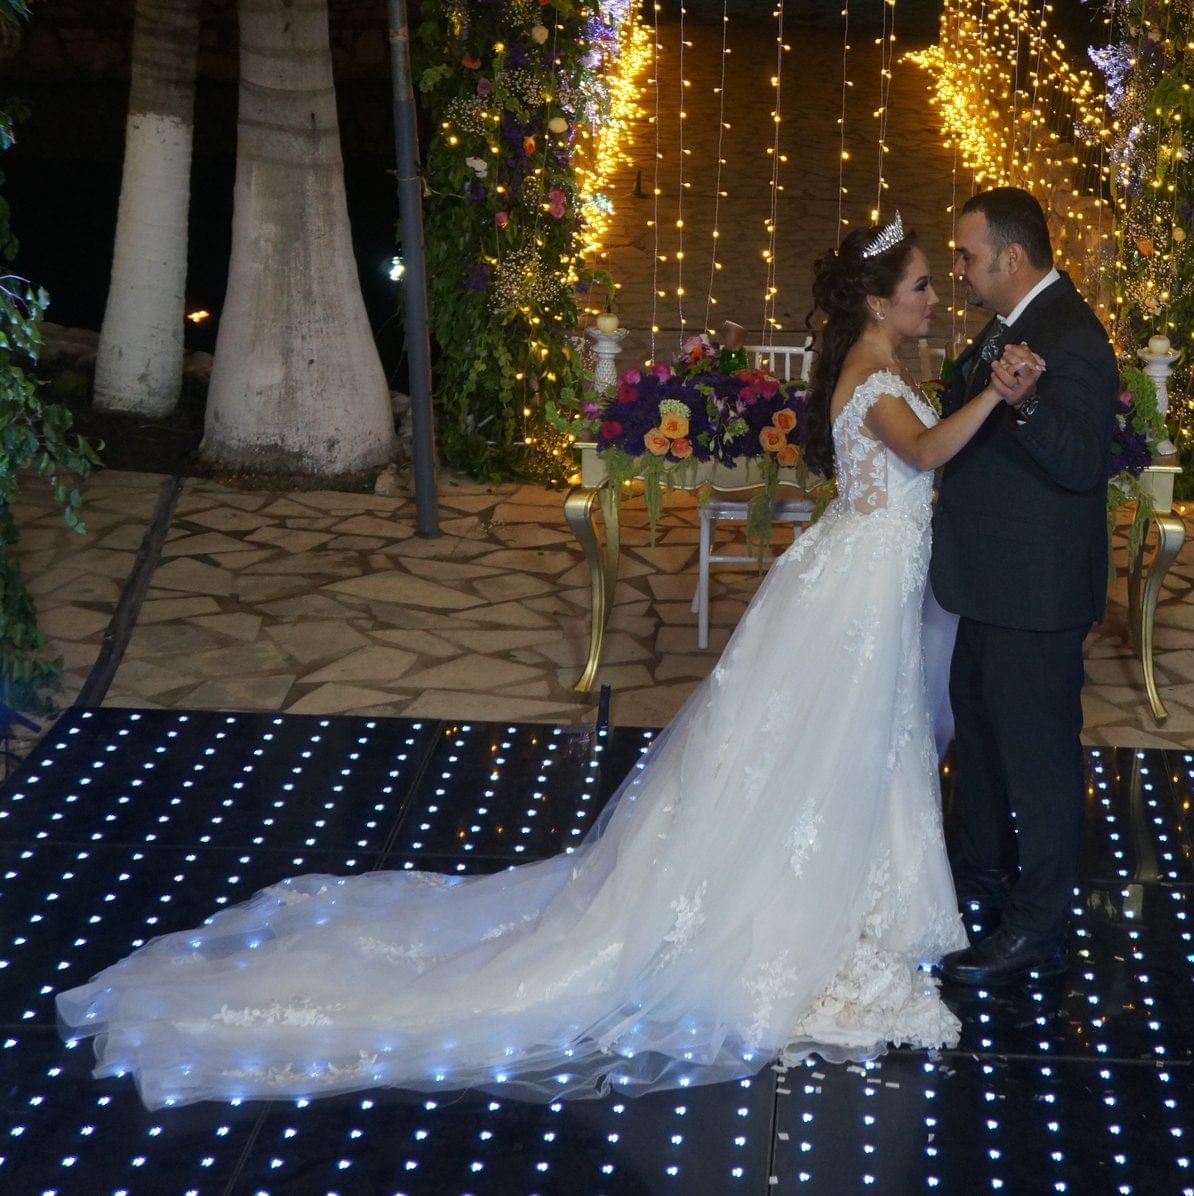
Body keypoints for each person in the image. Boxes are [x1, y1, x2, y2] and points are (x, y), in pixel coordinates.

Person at [56, 214, 1029, 1108]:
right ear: (874, 300)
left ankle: (856, 913)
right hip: (853, 592)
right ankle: (797, 924)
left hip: (868, 583)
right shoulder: (872, 371)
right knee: (830, 753)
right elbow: (932, 450)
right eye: (916, 285)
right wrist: (995, 388)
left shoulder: (875, 361)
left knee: (858, 753)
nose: (931, 297)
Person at [930, 187, 1119, 985]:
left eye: (968, 255)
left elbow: (1081, 461)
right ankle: (980, 872)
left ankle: (1037, 922)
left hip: (1035, 590)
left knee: (1038, 759)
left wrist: (1030, 401)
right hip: (992, 579)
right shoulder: (1016, 321)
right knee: (978, 729)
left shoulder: (1071, 335)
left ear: (1011, 257)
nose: (959, 269)